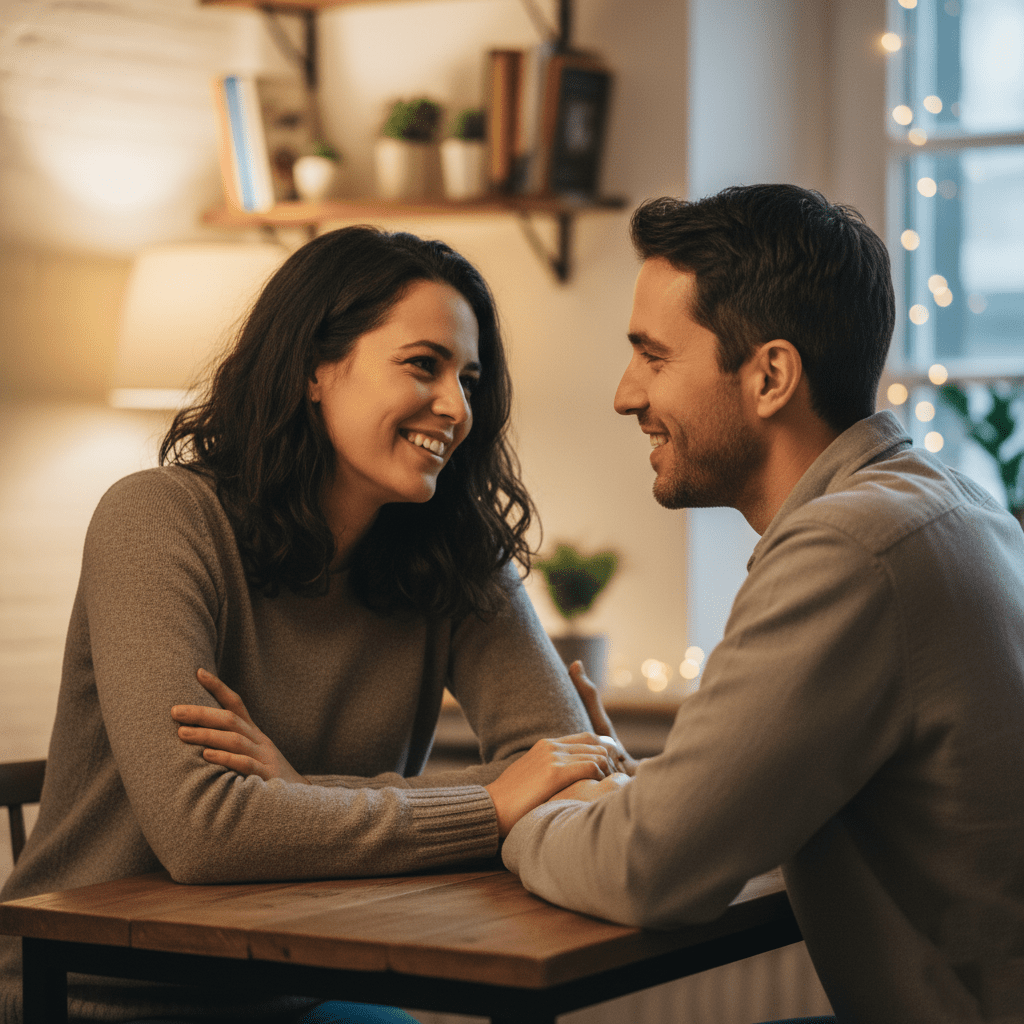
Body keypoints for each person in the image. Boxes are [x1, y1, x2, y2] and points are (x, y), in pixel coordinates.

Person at [0, 226, 624, 1024]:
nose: (458, 408)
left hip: (299, 990)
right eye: (422, 365)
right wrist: (493, 800)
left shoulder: (455, 552)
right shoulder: (157, 519)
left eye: (469, 379)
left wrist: (298, 793)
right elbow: (206, 833)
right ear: (313, 369)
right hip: (95, 995)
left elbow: (573, 788)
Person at [497, 186, 1024, 1024]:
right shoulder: (950, 502)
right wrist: (634, 795)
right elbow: (731, 808)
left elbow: (652, 871)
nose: (626, 394)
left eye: (654, 356)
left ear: (771, 375)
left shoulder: (849, 550)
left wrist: (524, 807)